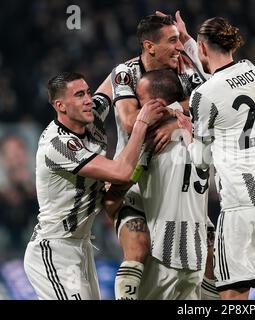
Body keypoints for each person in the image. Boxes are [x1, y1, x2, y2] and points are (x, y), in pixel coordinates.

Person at [179, 17, 255, 300]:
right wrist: (190, 44)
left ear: (202, 47)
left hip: (243, 205)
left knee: (234, 296)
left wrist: (188, 133)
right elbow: (221, 82)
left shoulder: (203, 95)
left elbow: (200, 159)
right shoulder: (251, 70)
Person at [23, 72, 165, 300]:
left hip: (82, 245)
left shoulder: (91, 114)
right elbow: (121, 171)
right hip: (55, 249)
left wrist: (138, 62)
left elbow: (113, 77)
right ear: (60, 105)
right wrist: (141, 124)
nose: (89, 99)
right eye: (79, 95)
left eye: (87, 92)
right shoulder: (58, 145)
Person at [102, 12, 214, 299]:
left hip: (175, 175)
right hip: (137, 173)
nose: (179, 47)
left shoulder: (185, 69)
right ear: (149, 46)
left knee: (210, 252)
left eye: (179, 40)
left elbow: (209, 103)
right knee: (139, 245)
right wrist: (177, 113)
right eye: (172, 41)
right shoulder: (126, 72)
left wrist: (174, 116)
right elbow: (129, 121)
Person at [122, 69, 209, 299]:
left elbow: (122, 177)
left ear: (155, 104)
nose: (138, 108)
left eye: (140, 101)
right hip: (196, 256)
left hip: (166, 255)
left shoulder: (150, 143)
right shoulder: (202, 135)